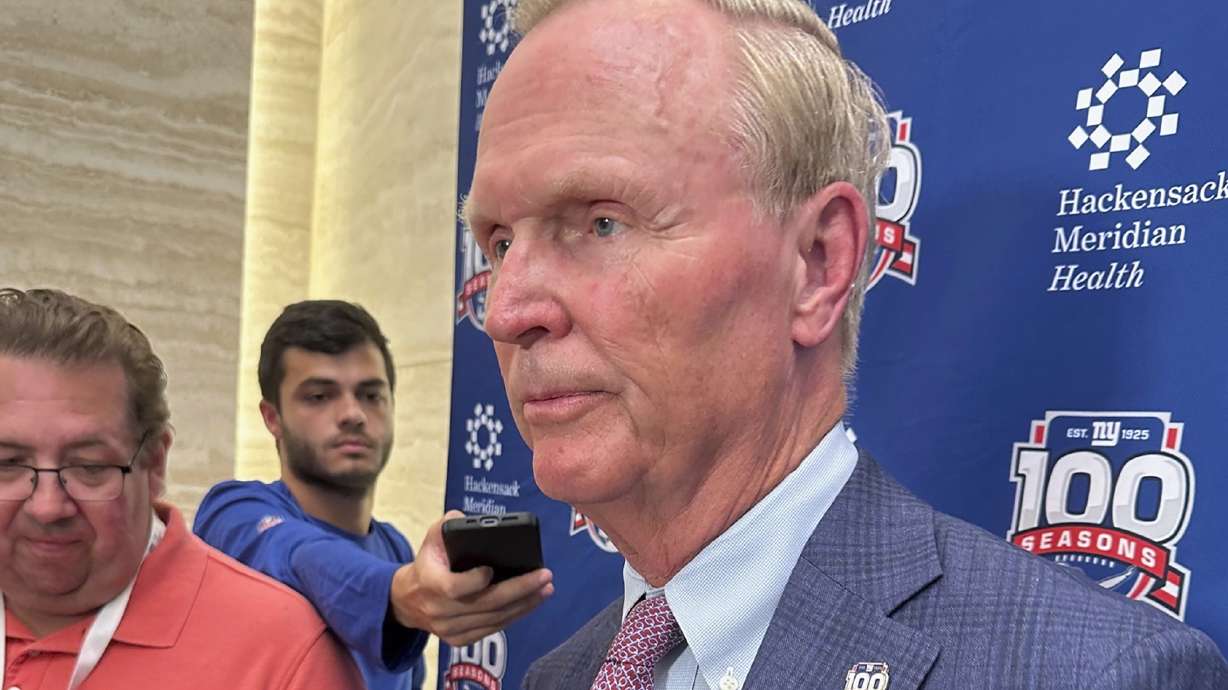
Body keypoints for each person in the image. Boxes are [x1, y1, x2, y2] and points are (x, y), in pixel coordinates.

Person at [461, 0, 1228, 688]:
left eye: (601, 223)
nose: (506, 310)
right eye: (497, 244)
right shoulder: (564, 675)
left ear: (819, 265)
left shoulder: (1094, 673)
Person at [0, 288, 362, 689]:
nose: (48, 506)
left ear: (154, 463)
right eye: (7, 464)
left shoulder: (286, 656)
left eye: (89, 466)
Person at [194, 300, 552, 690]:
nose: (352, 414)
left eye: (370, 395)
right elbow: (300, 556)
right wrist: (399, 593)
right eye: (319, 396)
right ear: (272, 417)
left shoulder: (396, 550)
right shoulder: (233, 512)